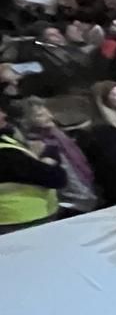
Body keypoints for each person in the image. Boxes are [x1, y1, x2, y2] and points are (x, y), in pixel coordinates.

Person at [0, 94, 65, 231]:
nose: (4, 115)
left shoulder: (7, 140)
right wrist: (48, 158)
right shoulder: (5, 152)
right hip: (21, 221)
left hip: (29, 217)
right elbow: (56, 178)